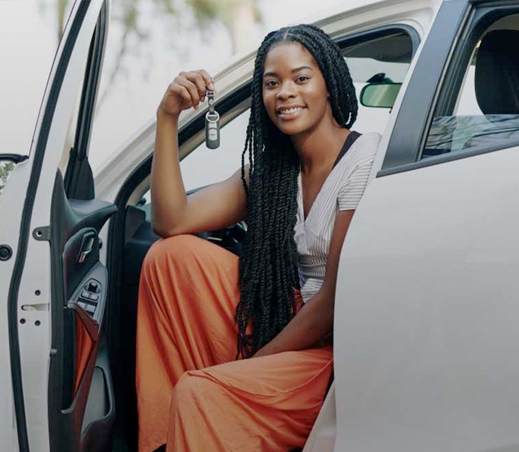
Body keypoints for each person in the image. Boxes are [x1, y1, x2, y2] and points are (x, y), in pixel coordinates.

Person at [136, 24, 380, 452]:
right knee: (168, 257)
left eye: (301, 78)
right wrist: (167, 117)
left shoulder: (363, 160)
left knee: (201, 392)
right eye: (272, 83)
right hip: (289, 317)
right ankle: (170, 438)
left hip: (336, 350)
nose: (285, 92)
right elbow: (171, 221)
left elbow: (332, 301)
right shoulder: (272, 173)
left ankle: (215, 396)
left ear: (330, 84)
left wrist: (256, 363)